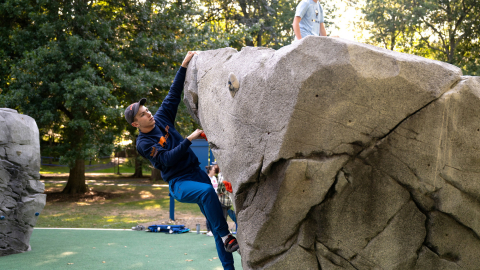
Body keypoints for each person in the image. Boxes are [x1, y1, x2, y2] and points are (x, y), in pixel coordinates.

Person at [124, 51, 239, 270]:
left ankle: (228, 263)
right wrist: (190, 139)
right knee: (207, 195)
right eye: (142, 114)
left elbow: (173, 94)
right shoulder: (143, 144)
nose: (148, 113)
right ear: (135, 124)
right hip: (179, 183)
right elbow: (166, 159)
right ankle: (227, 237)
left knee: (216, 225)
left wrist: (184, 65)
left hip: (196, 173)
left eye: (146, 109)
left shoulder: (161, 118)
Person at [205, 165, 219, 237]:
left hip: (215, 198)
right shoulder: (206, 178)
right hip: (209, 198)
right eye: (213, 169)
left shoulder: (214, 178)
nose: (215, 171)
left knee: (214, 214)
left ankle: (213, 229)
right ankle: (209, 230)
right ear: (210, 170)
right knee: (208, 214)